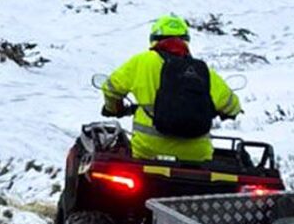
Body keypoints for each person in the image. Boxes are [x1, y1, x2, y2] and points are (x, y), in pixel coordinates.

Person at [100, 14, 242, 162]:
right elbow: (232, 106)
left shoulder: (142, 62)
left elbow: (111, 88)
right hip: (195, 155)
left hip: (148, 149)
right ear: (186, 40)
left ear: (154, 39)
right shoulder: (200, 70)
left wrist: (114, 108)